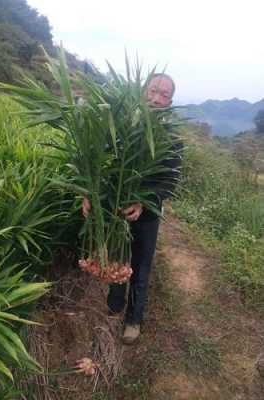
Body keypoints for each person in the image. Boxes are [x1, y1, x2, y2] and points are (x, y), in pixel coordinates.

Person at [82, 73, 182, 344]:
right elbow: (105, 166)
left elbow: (171, 183)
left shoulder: (172, 139)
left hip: (147, 216)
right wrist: (90, 194)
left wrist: (143, 203)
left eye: (163, 94)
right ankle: (114, 308)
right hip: (117, 212)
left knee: (140, 267)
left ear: (170, 101)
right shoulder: (124, 128)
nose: (156, 98)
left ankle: (134, 320)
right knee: (118, 261)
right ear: (143, 91)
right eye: (153, 90)